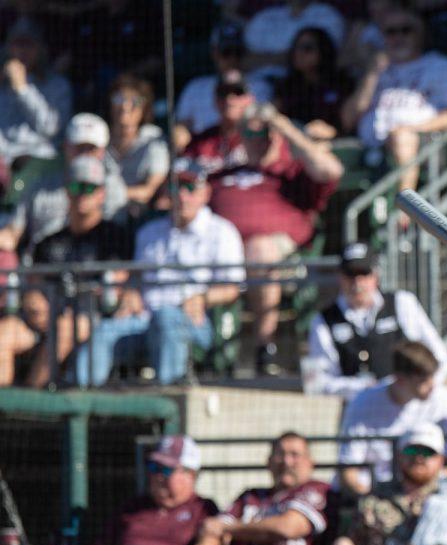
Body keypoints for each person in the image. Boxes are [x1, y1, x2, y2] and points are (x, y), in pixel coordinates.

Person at [193, 100, 343, 375]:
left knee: (259, 249)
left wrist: (282, 125)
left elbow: (332, 171)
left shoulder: (291, 171)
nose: (258, 141)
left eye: (265, 134)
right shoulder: (222, 175)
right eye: (250, 134)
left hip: (282, 256)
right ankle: (198, 356)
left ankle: (265, 347)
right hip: (223, 253)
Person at [75, 160, 245, 386]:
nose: (183, 196)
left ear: (205, 193)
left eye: (190, 188)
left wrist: (202, 298)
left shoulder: (222, 232)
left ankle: (170, 399)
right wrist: (131, 293)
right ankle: (82, 399)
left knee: (166, 318)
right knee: (104, 331)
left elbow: (232, 288)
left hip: (192, 322)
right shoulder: (149, 232)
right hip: (143, 320)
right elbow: (136, 279)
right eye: (176, 188)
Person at [0, 157, 131, 387]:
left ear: (101, 193)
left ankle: (30, 403)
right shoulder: (50, 240)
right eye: (75, 187)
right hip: (47, 317)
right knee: (5, 333)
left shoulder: (115, 237)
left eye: (89, 188)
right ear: (66, 192)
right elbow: (33, 284)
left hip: (91, 319)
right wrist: (34, 302)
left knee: (66, 328)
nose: (82, 194)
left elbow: (117, 287)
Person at [341, 3, 447, 193]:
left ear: (420, 33)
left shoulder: (440, 66)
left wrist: (410, 130)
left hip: (426, 145)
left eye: (406, 30)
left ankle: (403, 213)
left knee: (403, 139)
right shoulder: (376, 71)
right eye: (391, 32)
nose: (398, 37)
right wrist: (371, 74)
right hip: (372, 149)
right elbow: (347, 120)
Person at [305, 242, 447, 400]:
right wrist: (363, 388)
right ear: (340, 277)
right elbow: (316, 383)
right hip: (358, 410)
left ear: (376, 275)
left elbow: (443, 359)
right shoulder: (322, 321)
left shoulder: (403, 303)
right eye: (350, 274)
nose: (357, 282)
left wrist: (421, 389)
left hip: (407, 406)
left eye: (364, 273)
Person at [332, 422, 447, 545]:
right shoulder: (375, 499)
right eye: (412, 450)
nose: (419, 457)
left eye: (428, 452)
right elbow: (350, 539)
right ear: (399, 455)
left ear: (441, 460)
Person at [0, 112, 129, 262]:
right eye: (79, 147)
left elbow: (118, 243)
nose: (85, 154)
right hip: (44, 269)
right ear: (66, 146)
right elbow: (13, 232)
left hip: (94, 270)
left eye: (91, 148)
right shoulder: (40, 185)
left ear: (103, 150)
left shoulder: (113, 188)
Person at [336, 340, 447, 496]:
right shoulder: (363, 403)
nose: (432, 385)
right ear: (400, 379)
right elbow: (349, 470)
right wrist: (371, 501)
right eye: (423, 380)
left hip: (428, 493)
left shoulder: (441, 398)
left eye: (432, 377)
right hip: (375, 493)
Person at [189, 432, 333, 545]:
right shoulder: (250, 496)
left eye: (294, 455)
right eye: (280, 454)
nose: (286, 462)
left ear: (311, 462)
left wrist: (229, 529)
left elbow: (288, 527)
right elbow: (213, 530)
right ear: (268, 462)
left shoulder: (316, 489)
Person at [90, 435, 218, 545]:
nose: (158, 476)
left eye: (167, 470)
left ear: (190, 475)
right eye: (154, 467)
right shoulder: (131, 507)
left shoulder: (203, 509)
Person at [174, 20, 274, 146]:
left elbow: (263, 127)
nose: (232, 59)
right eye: (226, 52)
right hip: (204, 154)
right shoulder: (195, 87)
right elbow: (182, 127)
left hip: (244, 150)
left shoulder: (259, 86)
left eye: (237, 52)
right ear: (214, 52)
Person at [0, 16, 72, 165]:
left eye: (29, 45)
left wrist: (23, 90)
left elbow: (50, 128)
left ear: (40, 48)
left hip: (41, 162)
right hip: (5, 162)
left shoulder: (58, 85)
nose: (23, 51)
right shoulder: (2, 84)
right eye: (18, 45)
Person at [273, 26, 355, 141]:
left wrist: (332, 132)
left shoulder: (342, 82)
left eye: (307, 48)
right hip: (295, 142)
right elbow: (276, 119)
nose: (299, 53)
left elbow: (348, 123)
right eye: (295, 48)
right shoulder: (286, 85)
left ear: (323, 50)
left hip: (335, 143)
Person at [106, 74, 168, 220]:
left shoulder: (154, 140)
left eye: (134, 101)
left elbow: (150, 190)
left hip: (137, 217)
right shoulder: (98, 137)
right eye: (119, 99)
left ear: (144, 108)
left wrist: (113, 193)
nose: (125, 106)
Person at [244, 0, 346, 73]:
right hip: (259, 82)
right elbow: (248, 58)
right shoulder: (265, 16)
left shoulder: (328, 15)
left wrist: (273, 58)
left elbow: (323, 57)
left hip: (308, 84)